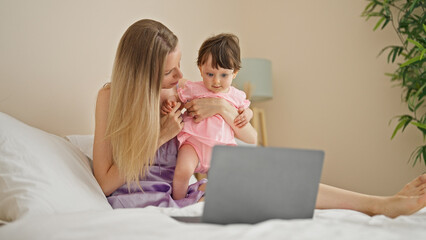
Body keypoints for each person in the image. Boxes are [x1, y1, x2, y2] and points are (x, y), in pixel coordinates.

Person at [93, 18, 426, 217]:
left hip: (192, 188)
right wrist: (161, 135)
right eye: (169, 71)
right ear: (141, 73)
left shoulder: (180, 92)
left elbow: (244, 131)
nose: (180, 75)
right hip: (149, 198)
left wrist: (229, 109)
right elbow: (105, 181)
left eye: (180, 64)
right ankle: (380, 205)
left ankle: (379, 203)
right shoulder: (110, 99)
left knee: (274, 172)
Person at [161, 33, 256, 200]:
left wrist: (248, 114)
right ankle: (178, 203)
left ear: (235, 73)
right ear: (200, 69)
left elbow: (246, 109)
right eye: (210, 74)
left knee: (230, 180)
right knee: (182, 172)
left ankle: (217, 201)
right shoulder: (194, 88)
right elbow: (178, 100)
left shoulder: (236, 95)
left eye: (224, 75)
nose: (216, 81)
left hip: (222, 147)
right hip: (193, 143)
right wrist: (171, 102)